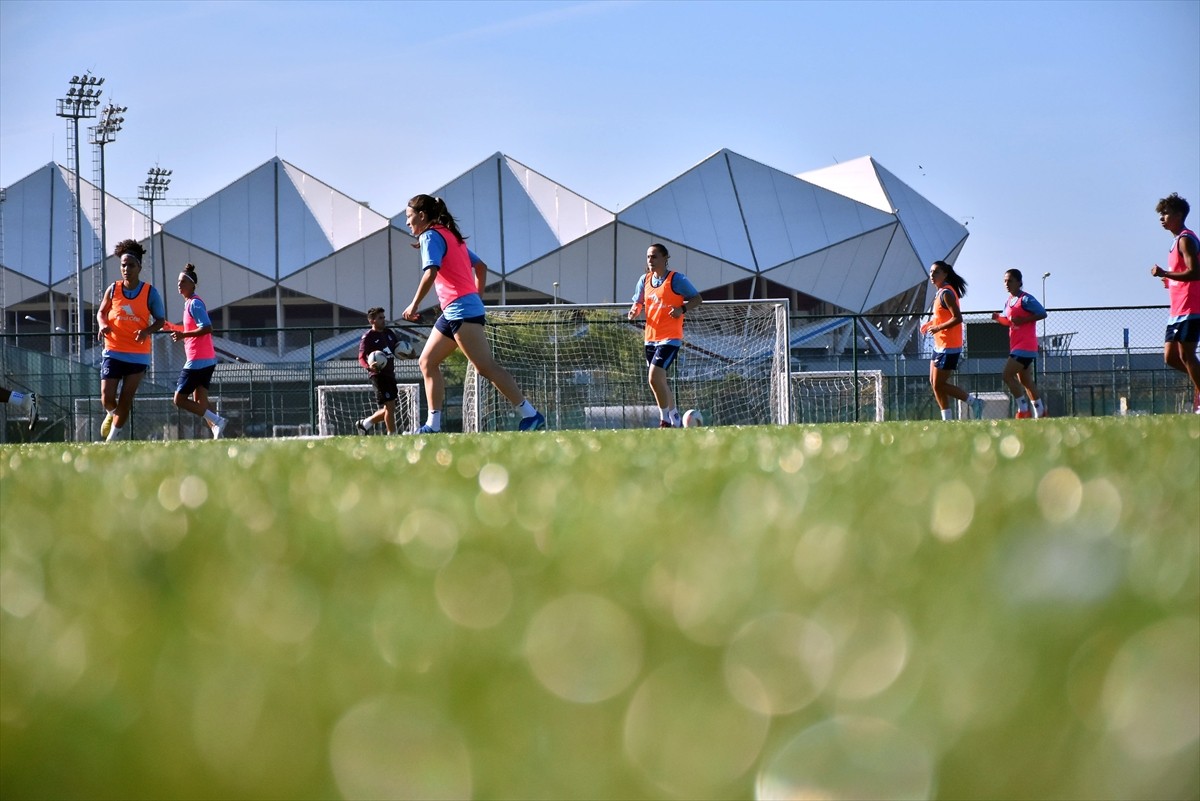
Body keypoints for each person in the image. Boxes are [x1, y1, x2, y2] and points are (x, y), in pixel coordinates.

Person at [400, 194, 545, 433]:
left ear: (422, 216)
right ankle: (433, 425)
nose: (407, 222)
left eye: (409, 216)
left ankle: (531, 415)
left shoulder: (430, 235)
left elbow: (431, 272)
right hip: (456, 310)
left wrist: (414, 305)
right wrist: (475, 297)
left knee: (485, 367)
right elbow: (481, 267)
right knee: (427, 362)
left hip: (461, 310)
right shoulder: (449, 234)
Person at [96, 239, 165, 441]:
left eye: (131, 265)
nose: (126, 269)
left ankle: (112, 439)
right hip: (113, 351)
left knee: (125, 399)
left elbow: (160, 320)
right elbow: (101, 312)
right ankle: (112, 414)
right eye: (123, 265)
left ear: (139, 267)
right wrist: (102, 324)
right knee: (107, 398)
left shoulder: (150, 292)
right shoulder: (113, 289)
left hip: (138, 355)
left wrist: (146, 331)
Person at [627, 243, 703, 427]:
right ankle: (675, 419)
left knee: (653, 377)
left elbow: (697, 299)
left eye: (654, 256)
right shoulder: (644, 280)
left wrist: (681, 309)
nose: (650, 260)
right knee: (659, 381)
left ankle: (664, 420)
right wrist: (634, 310)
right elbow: (638, 302)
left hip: (670, 338)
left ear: (664, 258)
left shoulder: (676, 279)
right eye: (648, 257)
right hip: (650, 338)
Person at [163, 264, 229, 439]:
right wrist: (173, 328)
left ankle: (218, 420)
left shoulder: (195, 303)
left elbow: (207, 327)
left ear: (193, 285)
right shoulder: (189, 304)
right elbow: (191, 328)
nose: (179, 284)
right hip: (205, 359)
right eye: (178, 281)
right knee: (201, 401)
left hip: (198, 360)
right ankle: (218, 432)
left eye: (183, 281)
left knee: (179, 399)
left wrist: (183, 334)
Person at [1150, 192, 1200, 413]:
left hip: (1191, 307)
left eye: (1166, 213)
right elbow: (1183, 274)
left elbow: (1195, 272)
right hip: (1177, 310)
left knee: (1186, 355)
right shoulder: (1176, 241)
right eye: (1161, 214)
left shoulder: (1186, 239)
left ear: (1179, 215)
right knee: (1171, 358)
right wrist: (1169, 281)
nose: (1162, 218)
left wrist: (1166, 273)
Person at [920, 260, 984, 420]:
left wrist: (937, 328)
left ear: (945, 274)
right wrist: (930, 324)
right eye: (931, 272)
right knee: (934, 383)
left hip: (949, 346)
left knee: (939, 384)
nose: (932, 275)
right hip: (940, 345)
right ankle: (947, 419)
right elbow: (942, 316)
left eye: (936, 272)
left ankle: (975, 402)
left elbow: (957, 318)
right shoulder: (940, 293)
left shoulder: (946, 293)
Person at [991, 269, 1048, 418]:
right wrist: (998, 318)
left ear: (1019, 282)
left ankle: (1023, 410)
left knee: (1007, 375)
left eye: (1010, 280)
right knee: (1025, 380)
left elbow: (1042, 313)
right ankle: (1040, 411)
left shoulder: (1026, 299)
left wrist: (1023, 320)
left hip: (1025, 346)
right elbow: (1009, 322)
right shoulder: (1009, 301)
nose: (1006, 284)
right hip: (1016, 345)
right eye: (1005, 281)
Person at [355, 307, 411, 435]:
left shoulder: (389, 333)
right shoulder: (368, 337)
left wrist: (409, 354)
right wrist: (369, 367)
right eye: (380, 318)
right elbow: (361, 357)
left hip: (390, 374)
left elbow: (398, 350)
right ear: (372, 321)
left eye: (384, 317)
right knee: (390, 407)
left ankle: (365, 424)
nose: (383, 320)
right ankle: (392, 435)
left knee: (390, 408)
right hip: (379, 375)